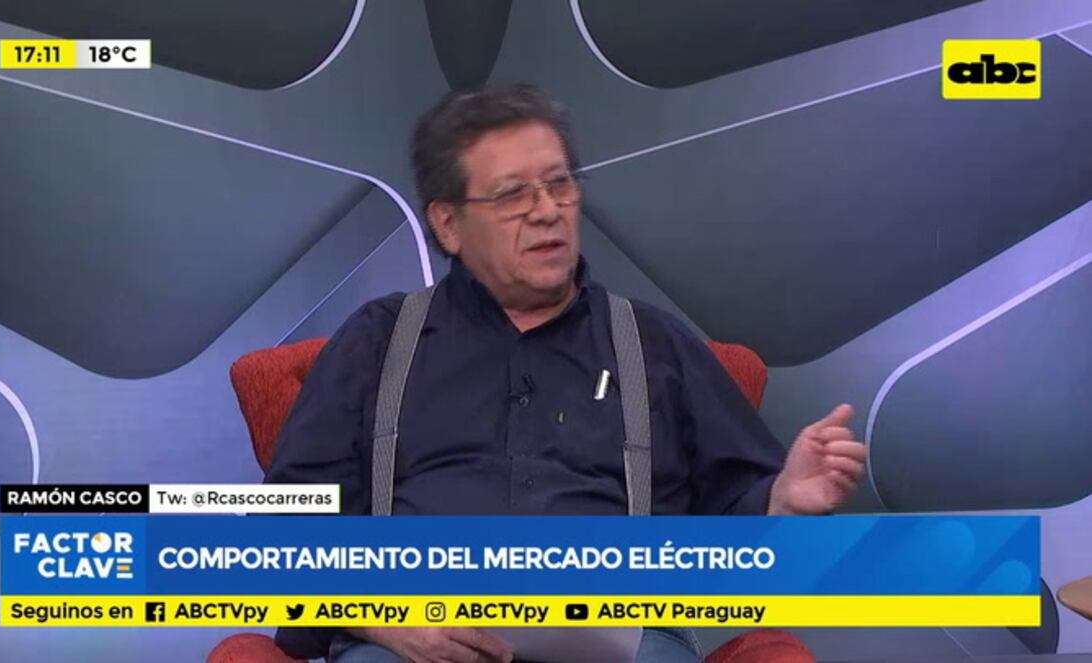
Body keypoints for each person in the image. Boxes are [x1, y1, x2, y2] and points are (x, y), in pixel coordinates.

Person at [266, 83, 867, 663]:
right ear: (448, 224)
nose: (547, 211)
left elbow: (738, 527)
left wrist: (785, 503)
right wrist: (381, 617)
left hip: (623, 639)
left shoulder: (655, 345)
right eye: (512, 195)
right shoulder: (377, 342)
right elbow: (287, 527)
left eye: (559, 184)